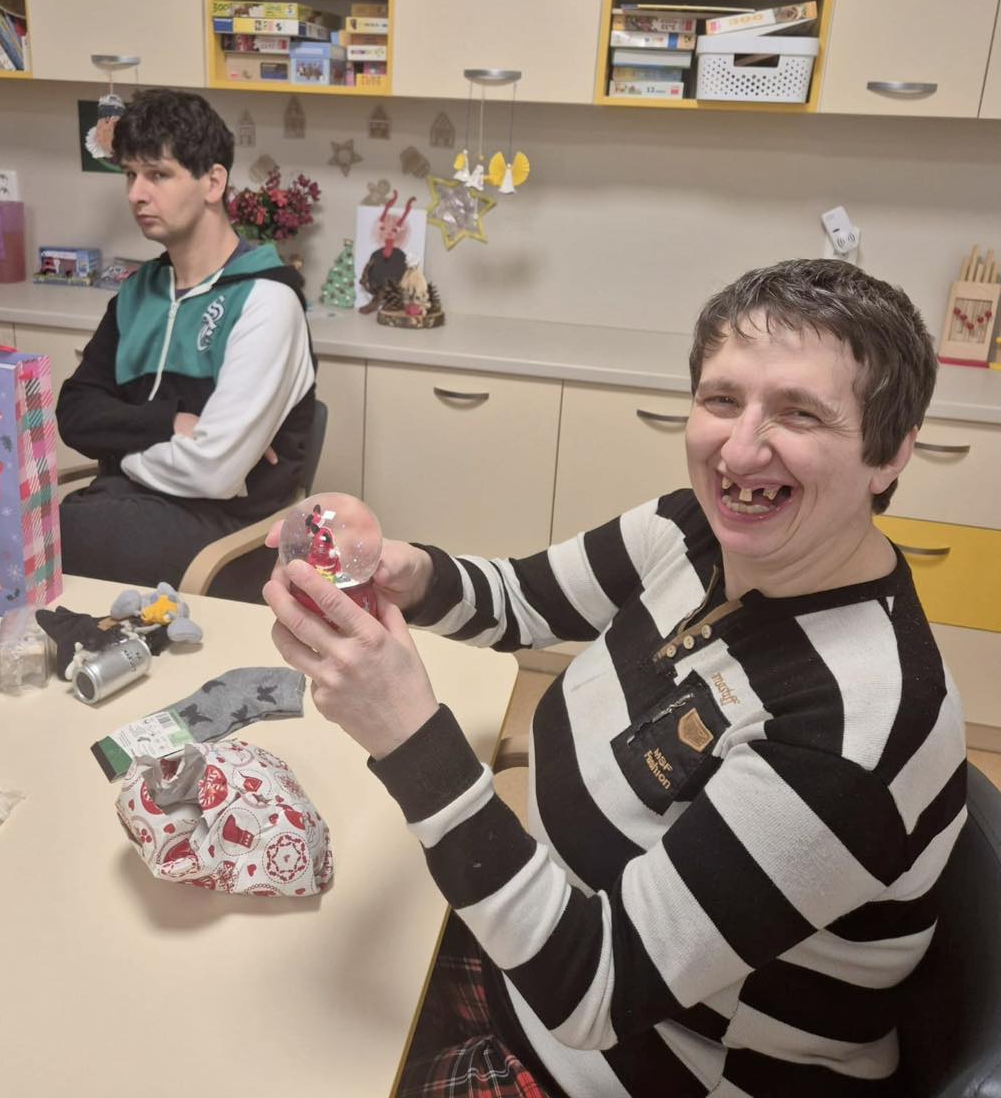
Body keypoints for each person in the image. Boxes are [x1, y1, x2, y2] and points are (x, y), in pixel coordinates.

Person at [265, 258, 966, 1098]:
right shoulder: (693, 530)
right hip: (542, 947)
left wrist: (411, 738)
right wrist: (406, 572)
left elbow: (593, 990)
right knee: (279, 983)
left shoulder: (855, 726)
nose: (740, 449)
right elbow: (521, 600)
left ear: (890, 452)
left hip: (647, 1064)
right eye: (721, 399)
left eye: (800, 413)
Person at [58, 88, 316, 591]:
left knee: (51, 538)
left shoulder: (266, 299)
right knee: (35, 537)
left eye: (158, 175)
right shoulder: (138, 293)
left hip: (225, 535)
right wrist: (168, 423)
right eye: (130, 175)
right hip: (128, 508)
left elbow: (212, 474)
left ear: (213, 182)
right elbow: (74, 414)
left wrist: (119, 454)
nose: (136, 194)